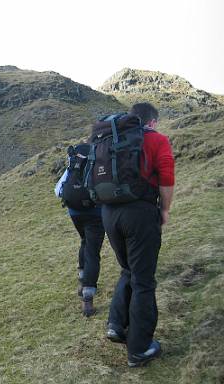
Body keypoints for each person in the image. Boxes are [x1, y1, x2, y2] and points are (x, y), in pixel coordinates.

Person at [102, 103, 175, 367]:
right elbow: (166, 176)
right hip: (139, 214)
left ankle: (116, 324)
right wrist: (164, 210)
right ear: (152, 122)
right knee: (143, 280)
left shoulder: (112, 138)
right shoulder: (156, 139)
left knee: (127, 270)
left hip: (109, 213)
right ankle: (140, 349)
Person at [55, 154, 105, 317]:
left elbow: (58, 190)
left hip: (74, 212)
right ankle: (87, 297)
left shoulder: (75, 162)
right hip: (95, 213)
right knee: (92, 250)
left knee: (85, 240)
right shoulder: (100, 158)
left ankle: (82, 281)